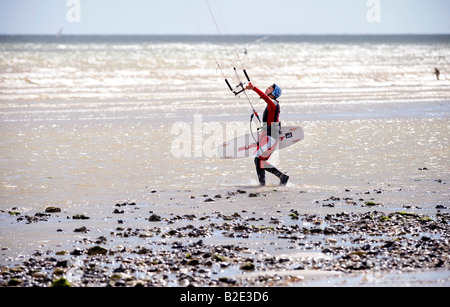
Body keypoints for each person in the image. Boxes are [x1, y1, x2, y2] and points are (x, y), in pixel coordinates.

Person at [245, 82, 289, 186]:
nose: (267, 88)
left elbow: (265, 98)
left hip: (272, 137)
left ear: (274, 92)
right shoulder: (272, 104)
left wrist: (254, 88)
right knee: (260, 161)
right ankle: (280, 177)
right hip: (268, 136)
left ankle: (265, 183)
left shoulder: (273, 103)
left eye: (269, 88)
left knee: (259, 160)